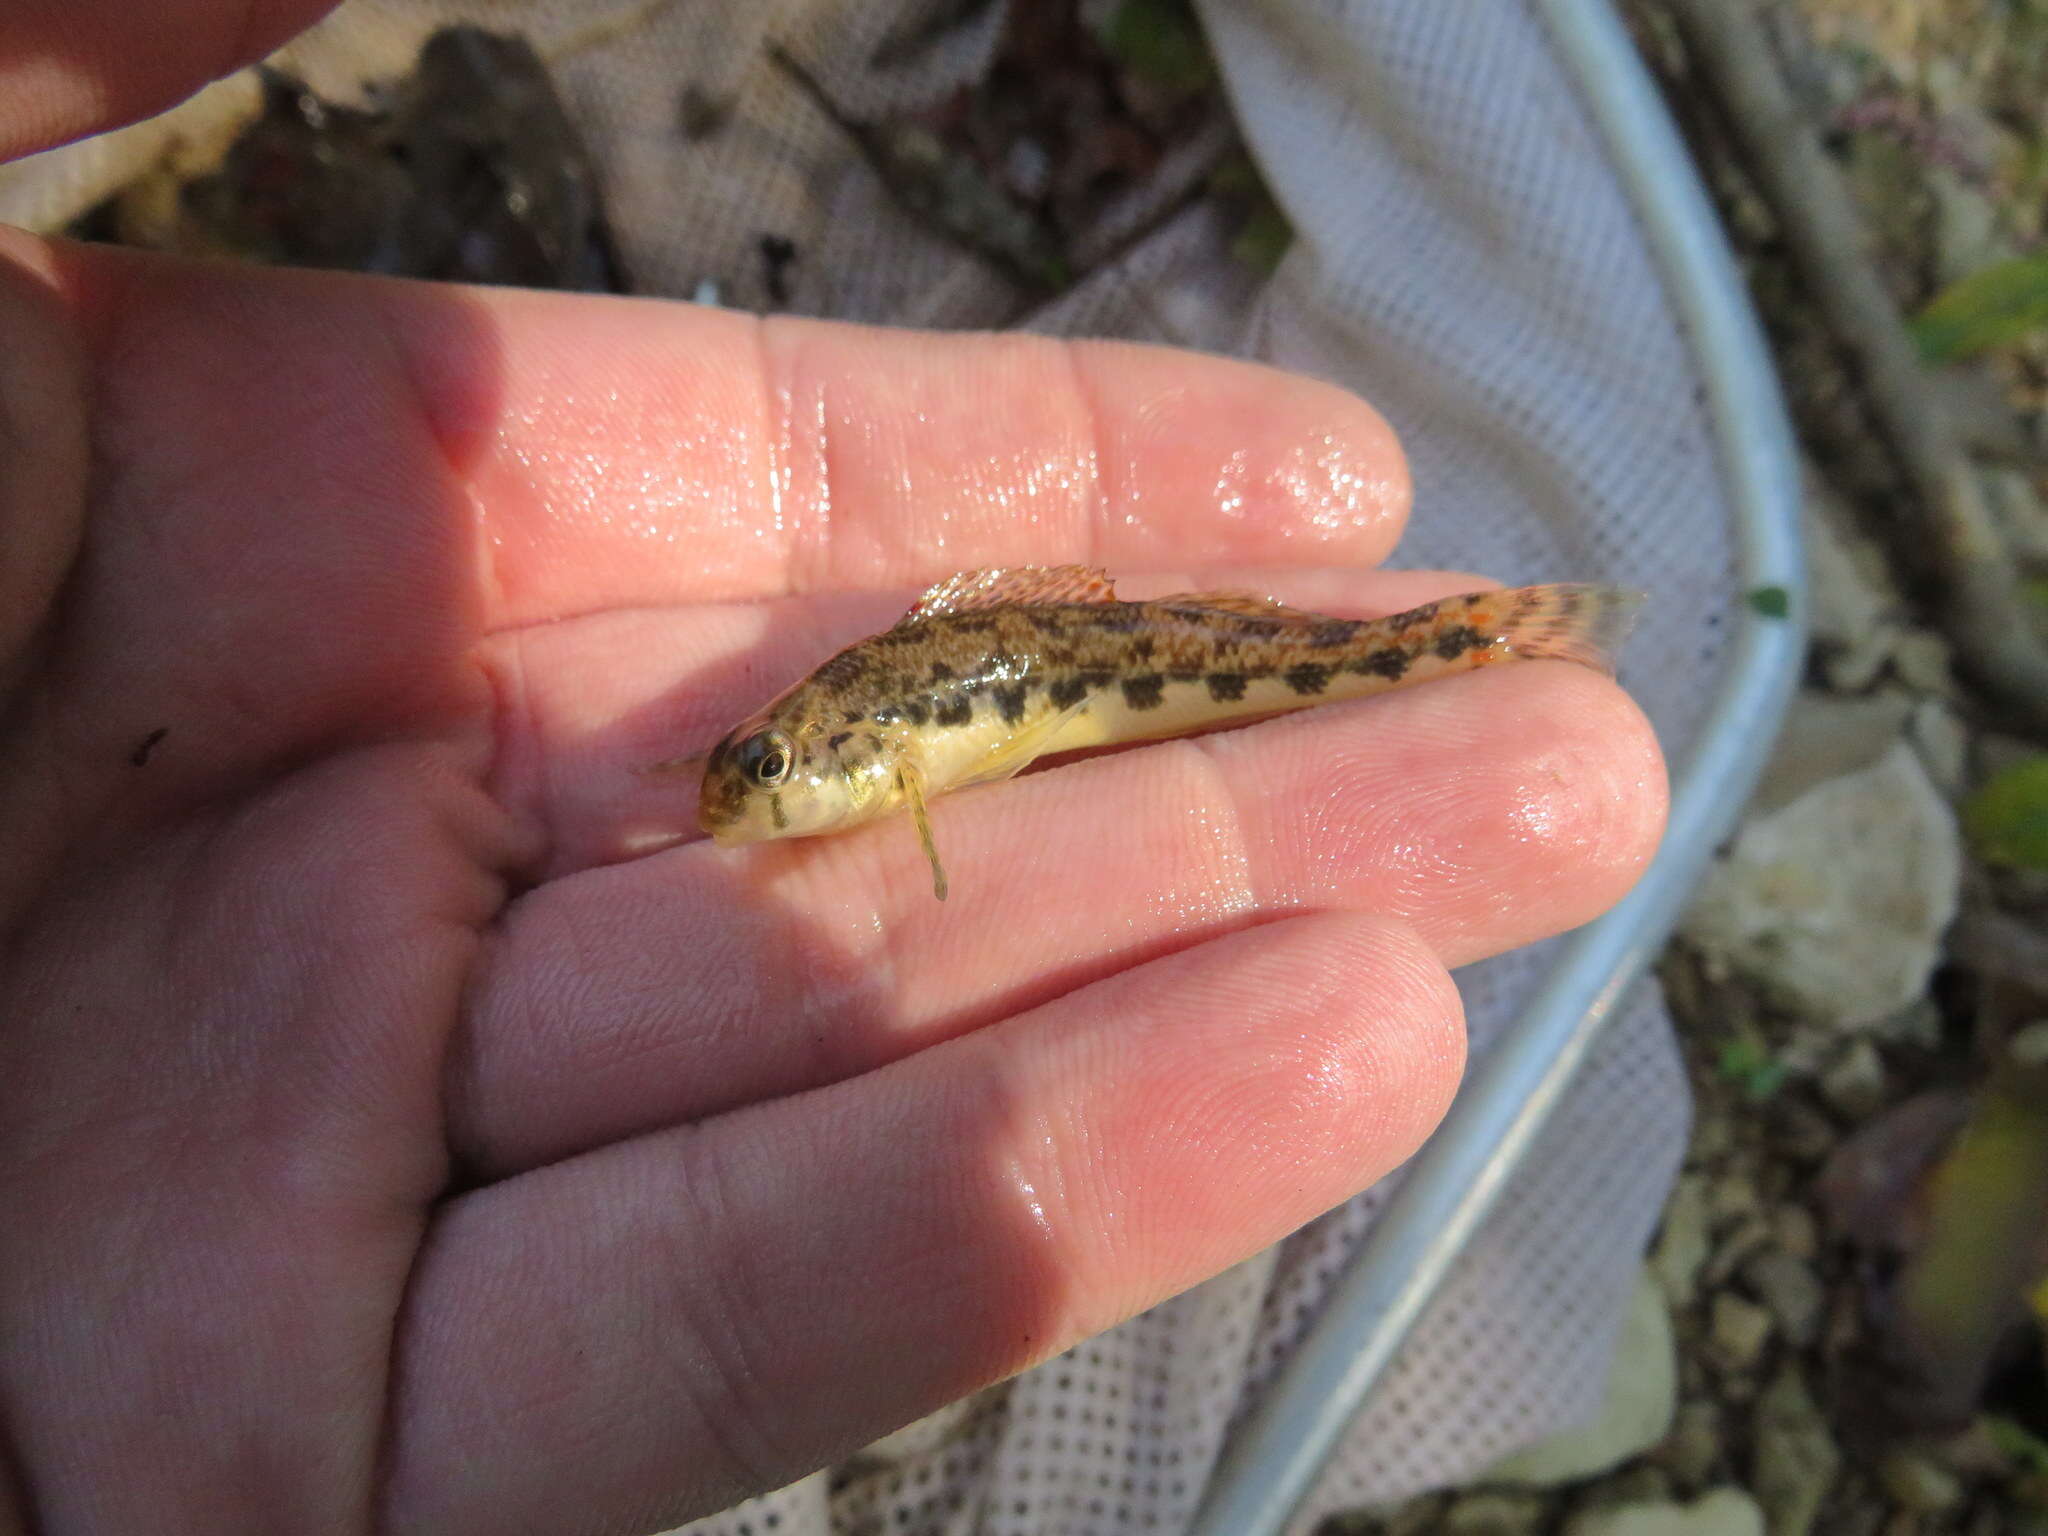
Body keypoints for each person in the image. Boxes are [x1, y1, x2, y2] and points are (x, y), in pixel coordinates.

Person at [0, 4, 1668, 1531]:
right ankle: (1489, 634)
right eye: (764, 766)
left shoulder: (883, 739)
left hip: (1100, 664)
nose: (755, 788)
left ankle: (1480, 637)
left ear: (863, 754)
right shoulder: (836, 737)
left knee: (1318, 691)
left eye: (781, 767)